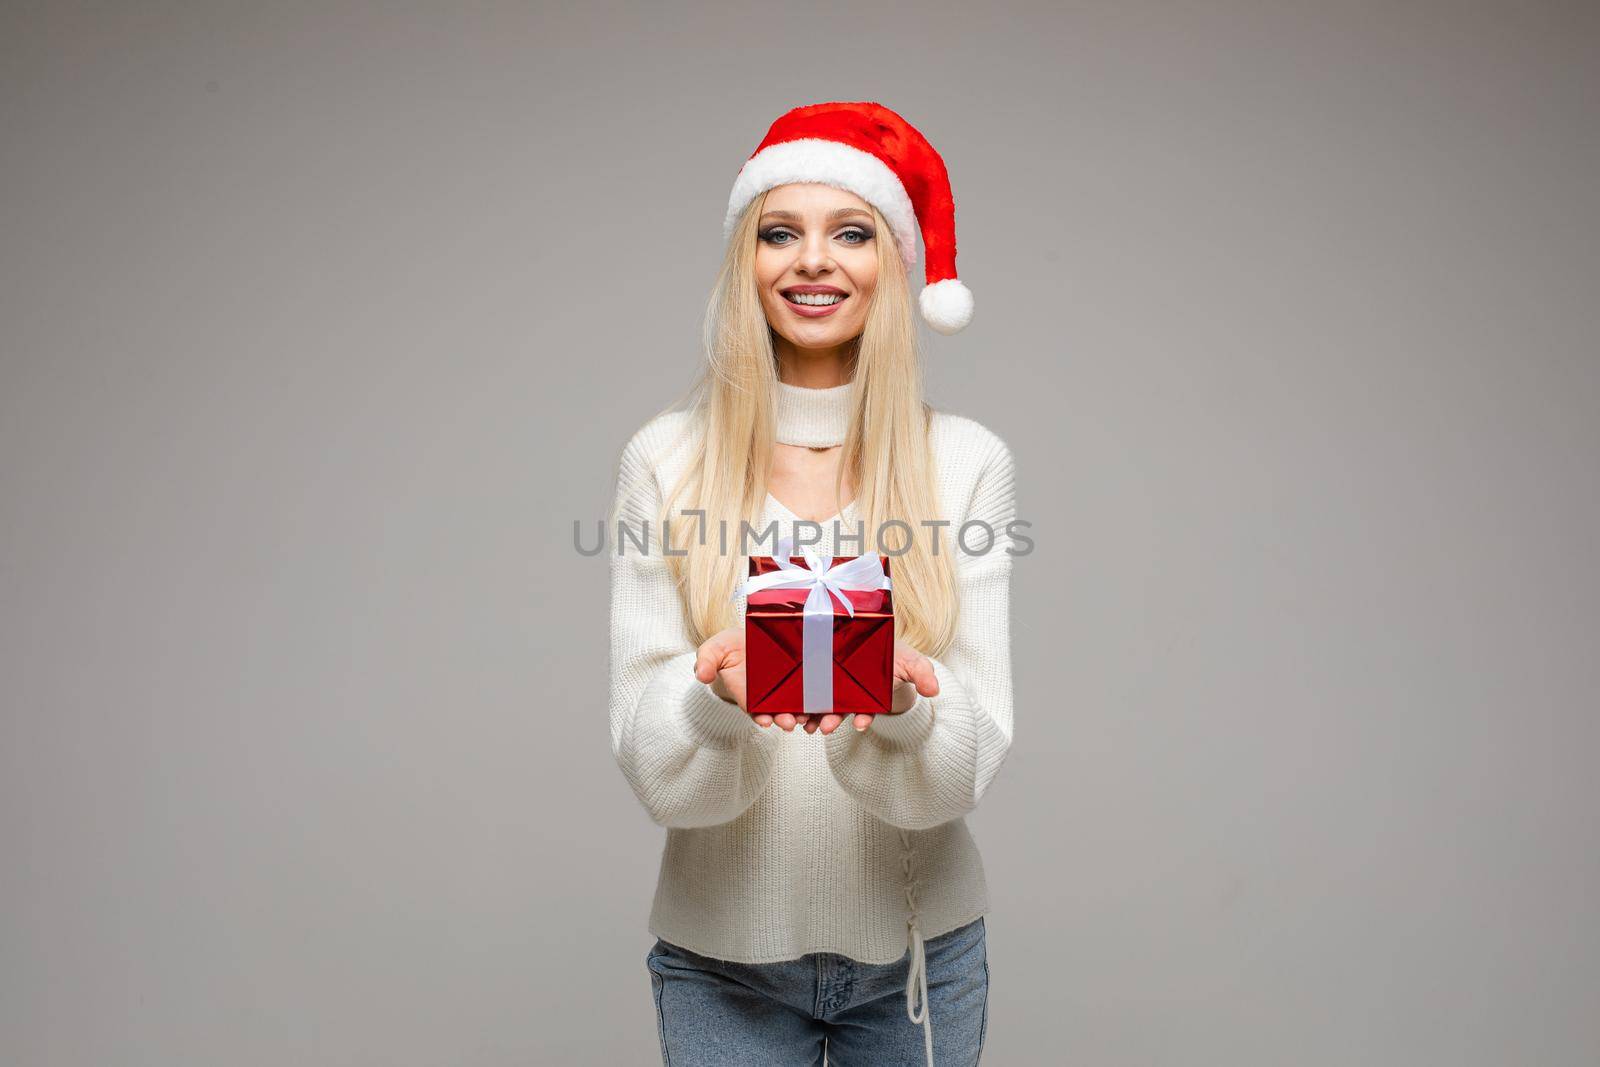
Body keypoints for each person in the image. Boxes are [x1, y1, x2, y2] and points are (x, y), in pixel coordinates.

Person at [607, 101, 1016, 1066]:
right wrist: (712, 695)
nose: (813, 261)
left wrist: (907, 705)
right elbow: (648, 761)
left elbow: (972, 757)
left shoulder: (964, 463)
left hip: (920, 958)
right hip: (720, 963)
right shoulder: (664, 460)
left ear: (895, 263)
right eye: (780, 233)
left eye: (852, 233)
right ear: (746, 261)